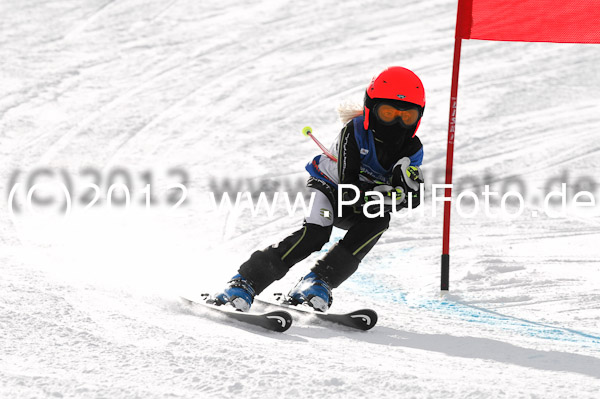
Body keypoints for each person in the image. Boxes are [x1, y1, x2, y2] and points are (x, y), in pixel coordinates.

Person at [214, 66, 426, 312]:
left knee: (378, 222)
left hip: (361, 202)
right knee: (316, 234)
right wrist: (384, 196)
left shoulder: (412, 149)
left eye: (407, 116)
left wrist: (406, 193)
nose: (397, 123)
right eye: (388, 113)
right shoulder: (355, 132)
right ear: (371, 108)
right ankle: (244, 281)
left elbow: (408, 195)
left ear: (418, 117)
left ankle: (317, 281)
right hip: (330, 190)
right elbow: (348, 189)